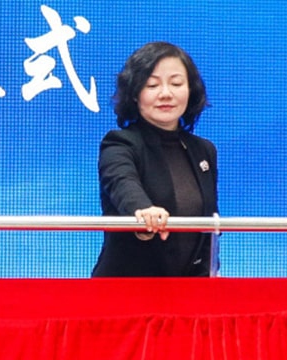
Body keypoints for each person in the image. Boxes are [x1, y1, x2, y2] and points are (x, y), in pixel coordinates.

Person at [92, 42, 219, 278]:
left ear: (190, 90)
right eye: (152, 85)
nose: (166, 93)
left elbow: (210, 227)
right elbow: (121, 183)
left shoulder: (204, 150)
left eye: (176, 83)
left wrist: (209, 277)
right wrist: (143, 210)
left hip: (189, 290)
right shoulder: (120, 143)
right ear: (135, 94)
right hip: (128, 287)